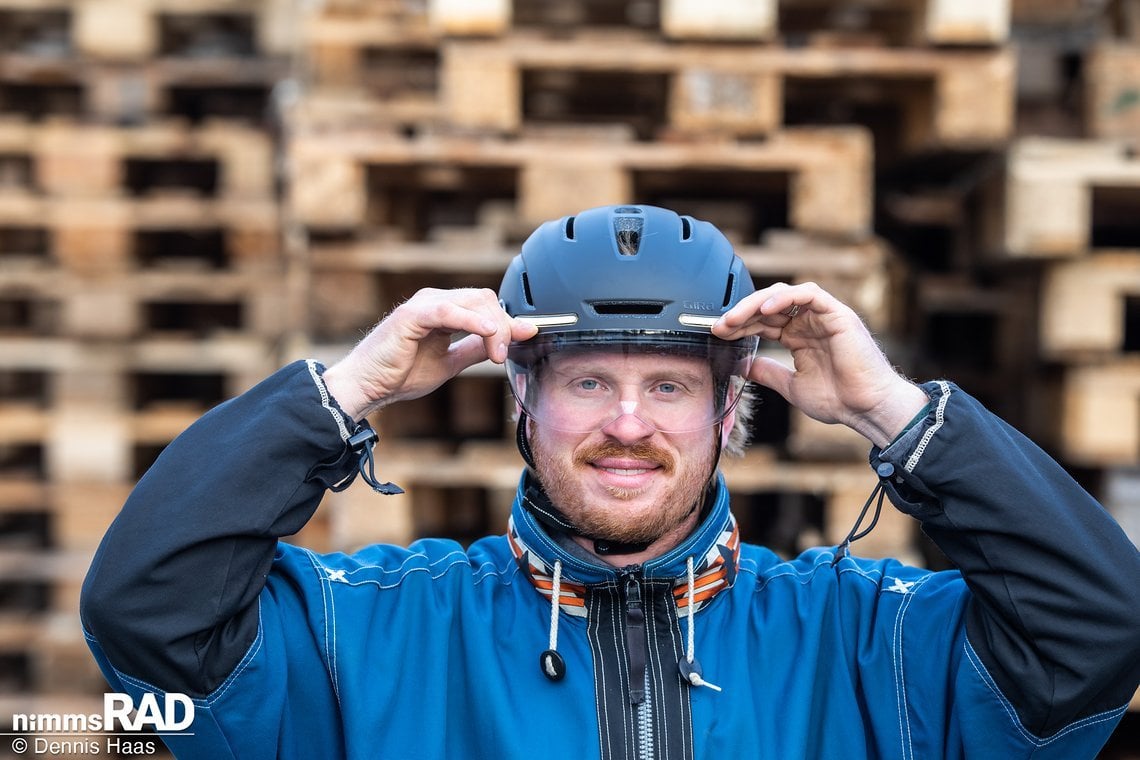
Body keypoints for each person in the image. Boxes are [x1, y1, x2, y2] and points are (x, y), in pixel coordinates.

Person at [81, 205, 1139, 759]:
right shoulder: (366, 638)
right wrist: (344, 392)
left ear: (731, 409)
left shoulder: (873, 645)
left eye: (671, 387)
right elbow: (151, 613)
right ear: (519, 402)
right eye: (588, 379)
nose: (627, 425)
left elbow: (1096, 630)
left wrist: (893, 412)